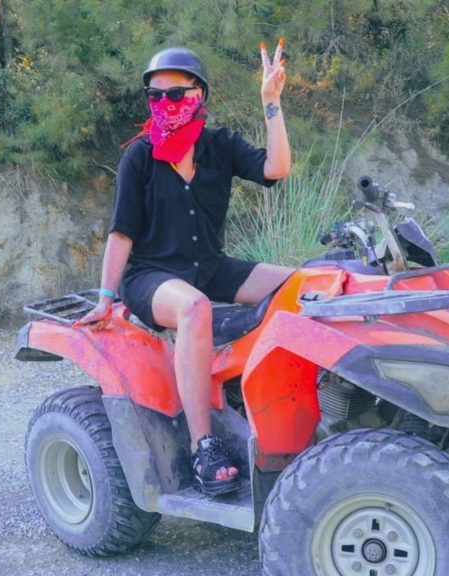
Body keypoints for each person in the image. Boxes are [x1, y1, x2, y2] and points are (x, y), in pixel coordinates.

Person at [75, 42, 292, 496]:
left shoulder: (219, 146)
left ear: (199, 95)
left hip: (209, 267)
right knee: (194, 308)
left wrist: (271, 103)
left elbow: (276, 169)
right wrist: (106, 299)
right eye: (156, 97)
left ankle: (277, 413)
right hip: (151, 278)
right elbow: (121, 235)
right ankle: (203, 444)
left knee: (302, 284)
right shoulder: (140, 156)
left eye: (176, 95)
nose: (165, 105)